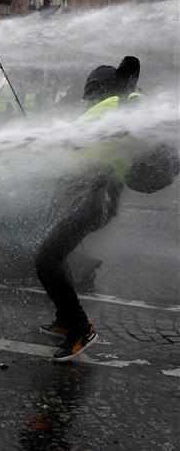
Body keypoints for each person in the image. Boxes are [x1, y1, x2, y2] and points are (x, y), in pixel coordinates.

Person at [36, 56, 179, 361]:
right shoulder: (124, 109)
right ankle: (65, 320)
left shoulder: (111, 106)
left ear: (98, 91)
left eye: (89, 96)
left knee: (47, 259)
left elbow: (73, 140)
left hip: (96, 200)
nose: (86, 103)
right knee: (53, 255)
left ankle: (80, 328)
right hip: (100, 199)